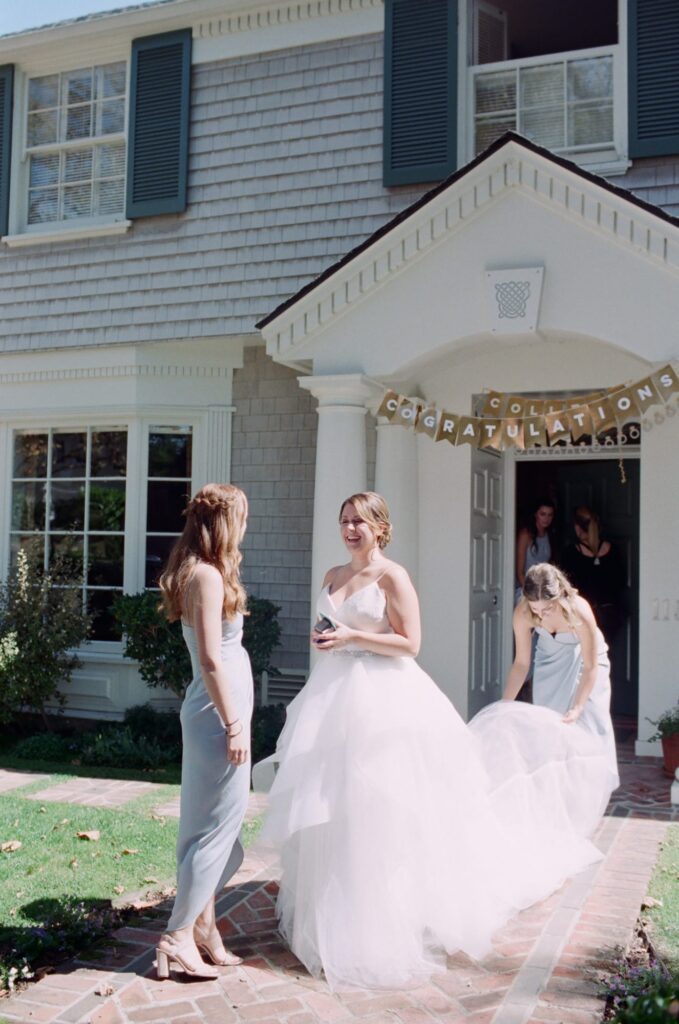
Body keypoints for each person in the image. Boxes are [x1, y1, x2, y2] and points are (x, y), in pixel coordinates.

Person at [260, 493, 612, 991]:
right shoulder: (331, 576)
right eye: (344, 521)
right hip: (333, 695)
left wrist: (352, 639)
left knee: (380, 805)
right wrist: (327, 640)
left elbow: (411, 644)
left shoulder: (393, 577)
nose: (350, 528)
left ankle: (381, 916)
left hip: (384, 699)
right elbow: (328, 630)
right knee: (332, 805)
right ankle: (329, 913)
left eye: (360, 520)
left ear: (381, 527)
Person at [155, 483, 253, 980]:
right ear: (224, 523)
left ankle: (203, 929)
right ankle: (176, 936)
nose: (246, 527)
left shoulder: (199, 572)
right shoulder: (209, 577)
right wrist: (235, 724)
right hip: (219, 716)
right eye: (242, 517)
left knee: (213, 827)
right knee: (214, 831)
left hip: (214, 712)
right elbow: (212, 659)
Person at [501, 562, 619, 833]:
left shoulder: (579, 610)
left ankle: (587, 801)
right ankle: (557, 802)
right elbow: (521, 663)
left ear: (560, 597)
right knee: (550, 729)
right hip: (550, 660)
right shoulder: (522, 613)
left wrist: (578, 707)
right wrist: (506, 704)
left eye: (548, 608)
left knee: (587, 725)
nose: (540, 614)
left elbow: (589, 666)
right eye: (536, 609)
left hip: (588, 662)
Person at [560, 506, 626, 650]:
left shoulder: (571, 553)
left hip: (583, 614)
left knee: (584, 658)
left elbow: (566, 586)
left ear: (577, 527)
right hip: (610, 614)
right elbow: (620, 581)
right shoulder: (612, 549)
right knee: (605, 656)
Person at [515, 497, 556, 603]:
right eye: (543, 514)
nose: (546, 518)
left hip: (543, 590)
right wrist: (532, 594)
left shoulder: (549, 535)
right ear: (535, 514)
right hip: (525, 589)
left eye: (550, 515)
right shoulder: (526, 534)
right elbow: (520, 572)